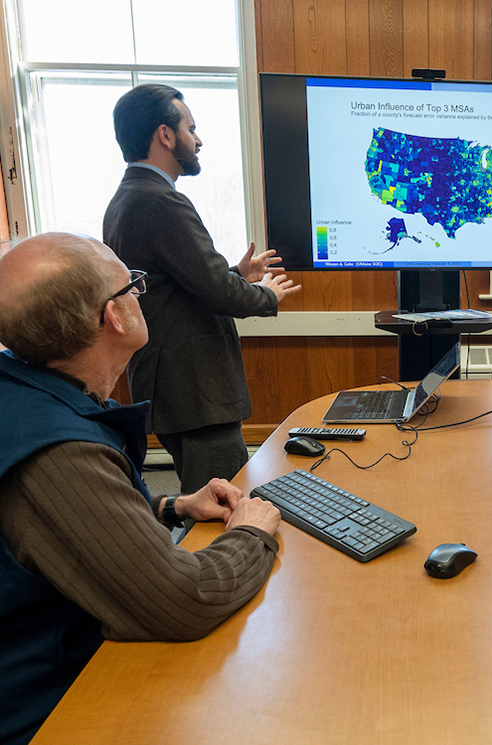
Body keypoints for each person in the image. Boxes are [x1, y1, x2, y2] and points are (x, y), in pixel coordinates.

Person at [0, 233, 283, 745]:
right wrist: (250, 533)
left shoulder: (26, 398)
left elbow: (52, 523)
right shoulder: (58, 451)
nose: (140, 295)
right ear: (115, 317)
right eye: (134, 285)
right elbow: (186, 600)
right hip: (52, 712)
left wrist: (168, 505)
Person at [103, 83, 301, 495]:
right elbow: (219, 293)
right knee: (221, 506)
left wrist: (234, 273)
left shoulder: (126, 198)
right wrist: (266, 294)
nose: (199, 140)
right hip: (196, 394)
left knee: (206, 498)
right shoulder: (162, 202)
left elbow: (175, 284)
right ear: (165, 135)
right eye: (191, 128)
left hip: (172, 389)